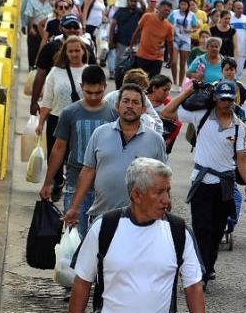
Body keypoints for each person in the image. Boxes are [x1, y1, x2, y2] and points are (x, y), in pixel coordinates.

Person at [65, 158, 207, 313]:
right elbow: (82, 282)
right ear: (136, 195)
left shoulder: (178, 232)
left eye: (168, 191)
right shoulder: (105, 228)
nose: (166, 200)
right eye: (158, 192)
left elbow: (193, 286)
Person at [160, 80, 246, 287]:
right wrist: (188, 92)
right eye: (222, 98)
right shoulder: (201, 115)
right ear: (215, 98)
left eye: (230, 99)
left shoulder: (239, 126)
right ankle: (200, 272)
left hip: (224, 183)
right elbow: (167, 113)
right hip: (202, 182)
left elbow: (241, 157)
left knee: (218, 229)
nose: (226, 102)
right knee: (202, 229)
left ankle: (208, 266)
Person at [62, 84, 168, 229]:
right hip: (101, 217)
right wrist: (74, 208)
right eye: (126, 101)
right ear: (117, 106)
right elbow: (88, 171)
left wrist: (164, 210)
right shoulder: (100, 133)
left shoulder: (155, 140)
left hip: (141, 219)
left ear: (143, 109)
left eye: (135, 102)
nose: (130, 106)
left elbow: (163, 179)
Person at [39, 65, 115, 238]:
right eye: (89, 92)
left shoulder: (114, 114)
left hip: (104, 187)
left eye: (98, 92)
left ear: (105, 86)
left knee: (101, 238)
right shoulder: (69, 113)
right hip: (75, 183)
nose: (94, 97)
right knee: (75, 237)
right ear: (82, 87)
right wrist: (47, 182)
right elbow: (59, 149)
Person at [36, 35, 90, 202]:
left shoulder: (89, 71)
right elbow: (48, 100)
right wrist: (40, 122)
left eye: (77, 50)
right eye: (71, 51)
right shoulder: (55, 72)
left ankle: (74, 192)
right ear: (65, 53)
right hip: (56, 120)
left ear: (83, 51)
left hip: (80, 122)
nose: (74, 54)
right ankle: (58, 182)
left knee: (74, 159)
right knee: (55, 158)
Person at [130, 0, 175, 79]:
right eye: (165, 10)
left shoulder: (169, 27)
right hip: (142, 55)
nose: (167, 12)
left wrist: (171, 59)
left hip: (157, 58)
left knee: (153, 83)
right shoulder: (147, 17)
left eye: (169, 11)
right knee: (139, 80)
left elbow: (170, 44)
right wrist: (131, 46)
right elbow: (137, 32)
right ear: (159, 8)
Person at [108, 0, 144, 80]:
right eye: (131, 1)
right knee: (119, 61)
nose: (133, 3)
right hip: (121, 41)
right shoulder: (120, 11)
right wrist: (111, 40)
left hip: (135, 42)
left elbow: (144, 7)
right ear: (127, 1)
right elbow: (113, 25)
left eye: (135, 1)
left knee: (133, 63)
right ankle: (118, 78)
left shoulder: (138, 12)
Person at [146, 75, 181, 154]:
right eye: (165, 90)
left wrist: (169, 140)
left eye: (169, 90)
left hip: (162, 143)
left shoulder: (168, 103)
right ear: (154, 88)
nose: (167, 93)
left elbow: (179, 123)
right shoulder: (141, 99)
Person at [167, 0, 199, 84]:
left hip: (186, 41)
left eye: (185, 4)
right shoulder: (174, 13)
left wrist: (190, 30)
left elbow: (196, 26)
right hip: (175, 39)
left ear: (188, 6)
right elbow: (168, 23)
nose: (183, 6)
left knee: (182, 63)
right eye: (182, 4)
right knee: (174, 61)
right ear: (179, 5)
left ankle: (180, 84)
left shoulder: (191, 15)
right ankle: (174, 82)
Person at [230, 1, 246, 79]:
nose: (240, 10)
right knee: (230, 69)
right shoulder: (230, 19)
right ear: (234, 8)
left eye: (242, 8)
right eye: (238, 8)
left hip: (242, 49)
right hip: (231, 49)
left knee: (239, 71)